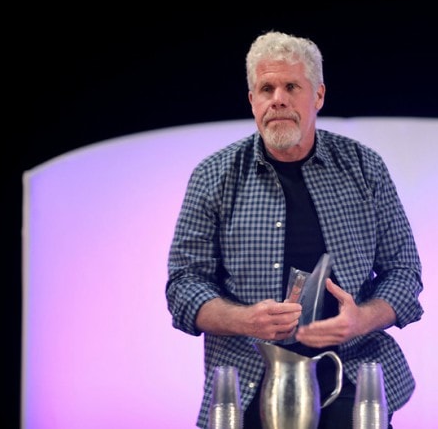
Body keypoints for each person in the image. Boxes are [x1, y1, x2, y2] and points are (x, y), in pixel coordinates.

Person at [165, 30, 424, 429]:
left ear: (318, 96)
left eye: (291, 86)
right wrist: (245, 320)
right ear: (252, 100)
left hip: (350, 377)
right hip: (248, 382)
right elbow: (183, 286)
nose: (278, 99)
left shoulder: (364, 168)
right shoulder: (213, 177)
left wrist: (362, 319)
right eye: (266, 88)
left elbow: (404, 274)